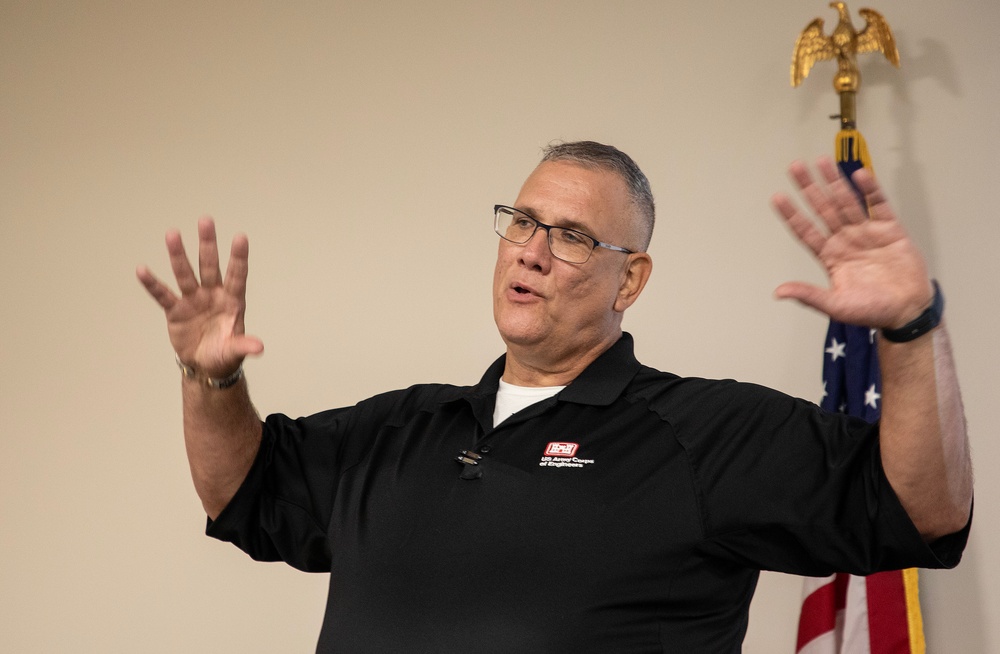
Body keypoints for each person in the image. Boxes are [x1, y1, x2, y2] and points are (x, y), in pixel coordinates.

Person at [136, 141, 972, 652]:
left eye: (570, 236)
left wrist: (910, 328)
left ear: (630, 279)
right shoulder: (397, 427)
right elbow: (241, 491)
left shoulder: (705, 434)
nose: (529, 252)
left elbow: (920, 511)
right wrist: (213, 379)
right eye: (521, 222)